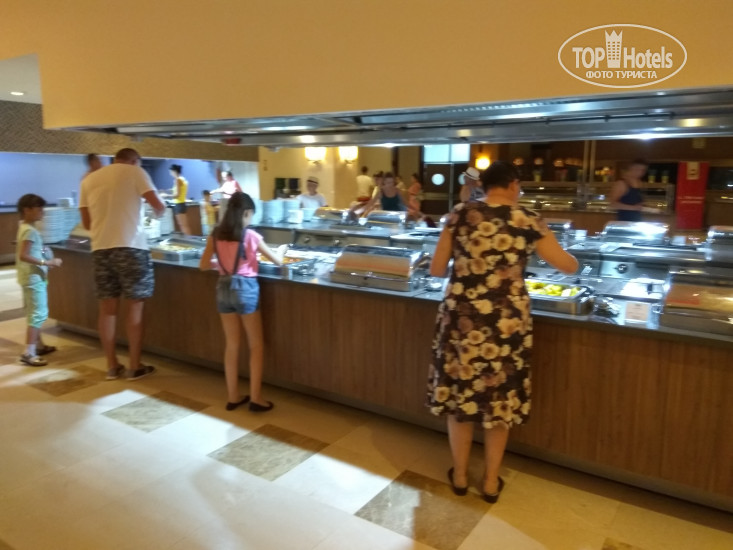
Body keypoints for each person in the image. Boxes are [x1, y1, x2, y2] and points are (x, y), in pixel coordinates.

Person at [427, 160, 578, 503]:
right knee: (500, 399)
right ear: (512, 184)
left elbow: (436, 269)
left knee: (462, 395)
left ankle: (460, 476)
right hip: (506, 323)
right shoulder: (527, 218)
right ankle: (491, 482)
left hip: (462, 319)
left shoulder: (460, 214)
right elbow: (568, 266)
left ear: (483, 185)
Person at [79, 147, 166, 381]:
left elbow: (87, 223)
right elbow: (159, 206)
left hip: (100, 250)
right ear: (134, 161)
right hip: (131, 247)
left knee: (107, 310)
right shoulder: (135, 172)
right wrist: (153, 214)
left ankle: (111, 366)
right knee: (134, 307)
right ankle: (134, 366)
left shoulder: (89, 180)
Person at [199, 192, 286, 412]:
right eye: (251, 215)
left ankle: (233, 396)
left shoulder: (215, 234)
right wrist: (282, 251)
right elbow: (278, 261)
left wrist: (222, 265)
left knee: (232, 344)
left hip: (223, 288)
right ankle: (256, 398)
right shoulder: (251, 236)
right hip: (245, 289)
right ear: (246, 213)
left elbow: (203, 265)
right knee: (256, 345)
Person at [15, 194, 63, 367]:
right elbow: (24, 255)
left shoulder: (24, 227)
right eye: (39, 209)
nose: (42, 212)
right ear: (27, 210)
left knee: (33, 311)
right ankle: (29, 352)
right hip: (33, 278)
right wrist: (47, 262)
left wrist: (43, 251)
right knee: (38, 313)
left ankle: (39, 345)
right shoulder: (30, 231)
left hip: (27, 276)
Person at [166, 164, 191, 235]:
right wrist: (168, 191)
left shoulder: (177, 180)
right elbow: (178, 190)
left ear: (174, 171)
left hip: (179, 204)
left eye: (171, 172)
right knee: (184, 225)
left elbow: (177, 195)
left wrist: (166, 196)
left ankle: (188, 240)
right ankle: (188, 239)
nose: (170, 173)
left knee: (183, 226)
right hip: (182, 204)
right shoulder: (182, 179)